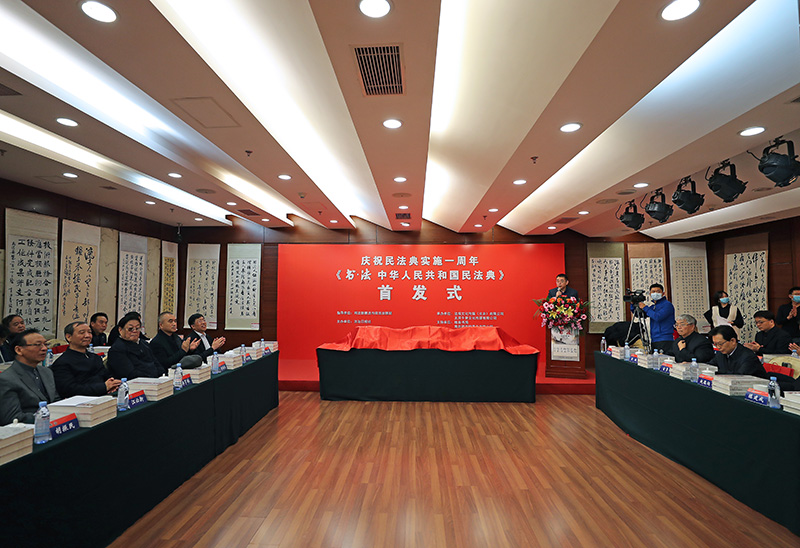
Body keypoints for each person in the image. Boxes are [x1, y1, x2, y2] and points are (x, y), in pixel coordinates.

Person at [0, 328, 60, 425]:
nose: (44, 348)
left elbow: (55, 400)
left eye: (45, 344)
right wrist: (47, 416)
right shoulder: (6, 379)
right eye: (38, 345)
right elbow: (12, 417)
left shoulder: (46, 372)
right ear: (19, 350)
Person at [51, 321, 121, 398]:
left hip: (103, 396)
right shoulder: (62, 362)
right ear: (69, 337)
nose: (87, 336)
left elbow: (106, 375)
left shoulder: (95, 357)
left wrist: (112, 384)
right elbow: (69, 390)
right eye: (82, 333)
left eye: (89, 332)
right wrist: (104, 387)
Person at [107, 313, 164, 380]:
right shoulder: (117, 349)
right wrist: (152, 377)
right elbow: (129, 374)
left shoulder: (144, 344)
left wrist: (162, 375)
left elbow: (157, 364)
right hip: (135, 383)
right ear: (120, 330)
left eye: (137, 328)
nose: (134, 331)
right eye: (130, 329)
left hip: (154, 380)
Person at [633, 283, 675, 353]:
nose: (655, 293)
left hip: (665, 339)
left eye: (658, 291)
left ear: (663, 293)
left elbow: (657, 317)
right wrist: (633, 305)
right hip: (654, 339)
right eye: (653, 291)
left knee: (663, 358)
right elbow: (640, 315)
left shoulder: (667, 305)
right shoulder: (653, 307)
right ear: (650, 294)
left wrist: (645, 307)